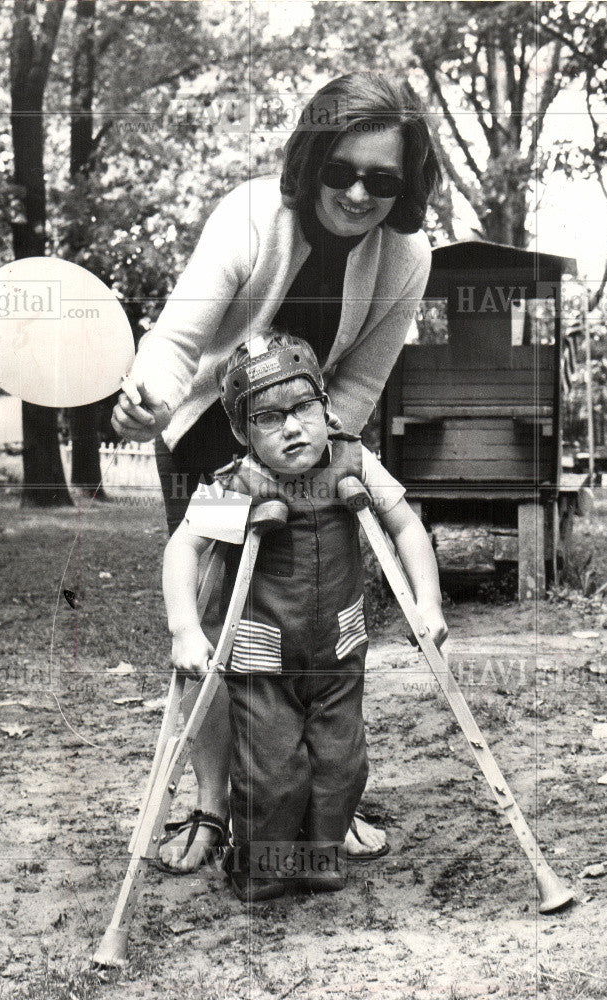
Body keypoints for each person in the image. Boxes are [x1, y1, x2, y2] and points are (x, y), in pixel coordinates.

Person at [112, 71, 442, 872]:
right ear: (312, 158)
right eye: (342, 171)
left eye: (382, 179)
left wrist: (318, 466)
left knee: (312, 622)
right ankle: (211, 807)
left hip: (316, 446)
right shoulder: (252, 214)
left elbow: (360, 381)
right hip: (206, 435)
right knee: (224, 627)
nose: (359, 193)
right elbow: (178, 336)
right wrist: (146, 393)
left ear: (405, 186)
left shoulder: (406, 257)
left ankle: (324, 799)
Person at [163, 333, 447, 901]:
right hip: (264, 655)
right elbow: (184, 548)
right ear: (244, 434)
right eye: (269, 418)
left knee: (342, 764)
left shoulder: (354, 461)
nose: (292, 427)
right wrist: (186, 627)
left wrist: (427, 602)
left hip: (339, 651)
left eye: (302, 408)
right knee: (270, 772)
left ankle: (319, 856)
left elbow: (406, 526)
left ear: (326, 407)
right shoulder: (241, 482)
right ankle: (260, 864)